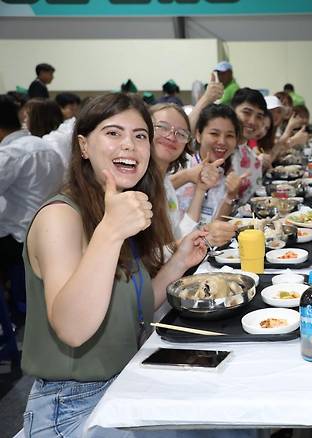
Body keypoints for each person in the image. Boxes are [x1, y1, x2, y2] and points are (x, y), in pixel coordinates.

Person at [18, 93, 217, 437]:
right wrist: (110, 232)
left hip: (124, 383)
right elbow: (73, 329)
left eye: (140, 136)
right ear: (83, 146)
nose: (129, 145)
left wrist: (178, 263)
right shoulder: (61, 217)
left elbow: (134, 309)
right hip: (71, 406)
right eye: (113, 133)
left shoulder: (114, 211)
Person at [0, 95, 67, 322]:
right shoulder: (44, 145)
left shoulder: (9, 154)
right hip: (49, 229)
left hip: (18, 237)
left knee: (25, 299)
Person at [174, 103, 247, 224]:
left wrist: (231, 196)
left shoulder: (225, 178)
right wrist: (186, 176)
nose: (222, 142)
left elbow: (214, 229)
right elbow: (155, 193)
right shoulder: (178, 166)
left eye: (229, 135)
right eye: (214, 134)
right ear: (198, 135)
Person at [230, 87, 267, 203]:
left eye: (259, 116)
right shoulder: (220, 150)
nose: (252, 121)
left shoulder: (252, 158)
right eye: (246, 112)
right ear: (232, 111)